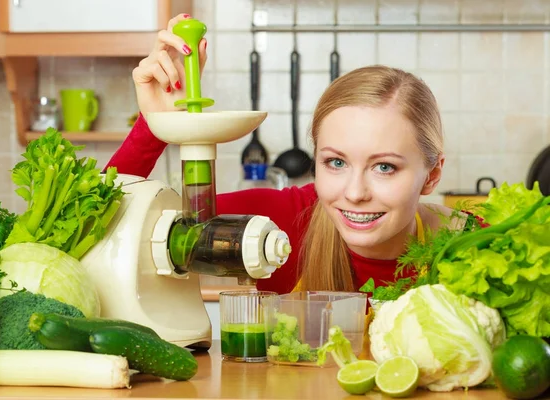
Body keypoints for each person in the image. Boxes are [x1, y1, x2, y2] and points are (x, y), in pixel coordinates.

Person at [106, 14, 475, 295]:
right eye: (337, 162)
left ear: (432, 175)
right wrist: (154, 126)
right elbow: (105, 222)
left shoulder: (479, 247)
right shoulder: (280, 223)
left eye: (384, 167)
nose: (355, 192)